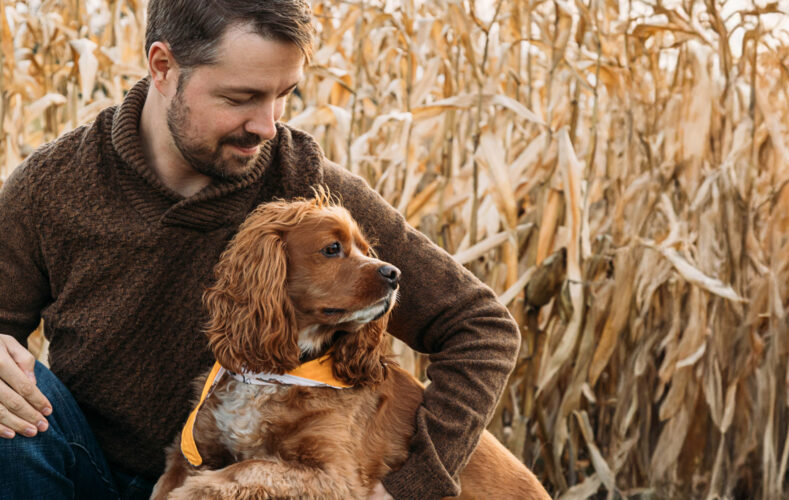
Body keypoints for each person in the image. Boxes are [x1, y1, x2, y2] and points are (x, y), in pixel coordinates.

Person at [0, 1, 521, 499]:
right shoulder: (51, 187)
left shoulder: (309, 187)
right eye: (240, 97)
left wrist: (414, 487)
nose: (266, 125)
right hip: (87, 467)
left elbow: (481, 326)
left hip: (244, 486)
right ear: (163, 67)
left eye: (283, 94)